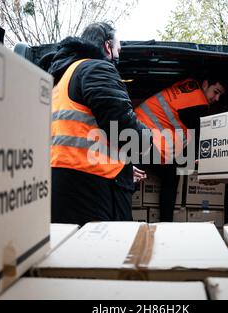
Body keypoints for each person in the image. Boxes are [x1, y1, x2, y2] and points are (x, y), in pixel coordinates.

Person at [42, 22, 149, 226]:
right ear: (108, 47)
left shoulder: (60, 78)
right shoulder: (96, 68)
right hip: (92, 187)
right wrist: (148, 140)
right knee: (105, 252)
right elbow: (124, 129)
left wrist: (124, 168)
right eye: (119, 48)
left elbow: (83, 131)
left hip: (61, 181)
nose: (119, 54)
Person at [134, 78, 226, 222]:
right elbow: (198, 140)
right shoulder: (198, 104)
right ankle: (166, 222)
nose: (217, 98)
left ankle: (162, 221)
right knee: (167, 175)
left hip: (136, 127)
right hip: (144, 135)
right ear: (205, 83)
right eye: (216, 92)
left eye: (220, 95)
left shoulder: (190, 85)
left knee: (167, 173)